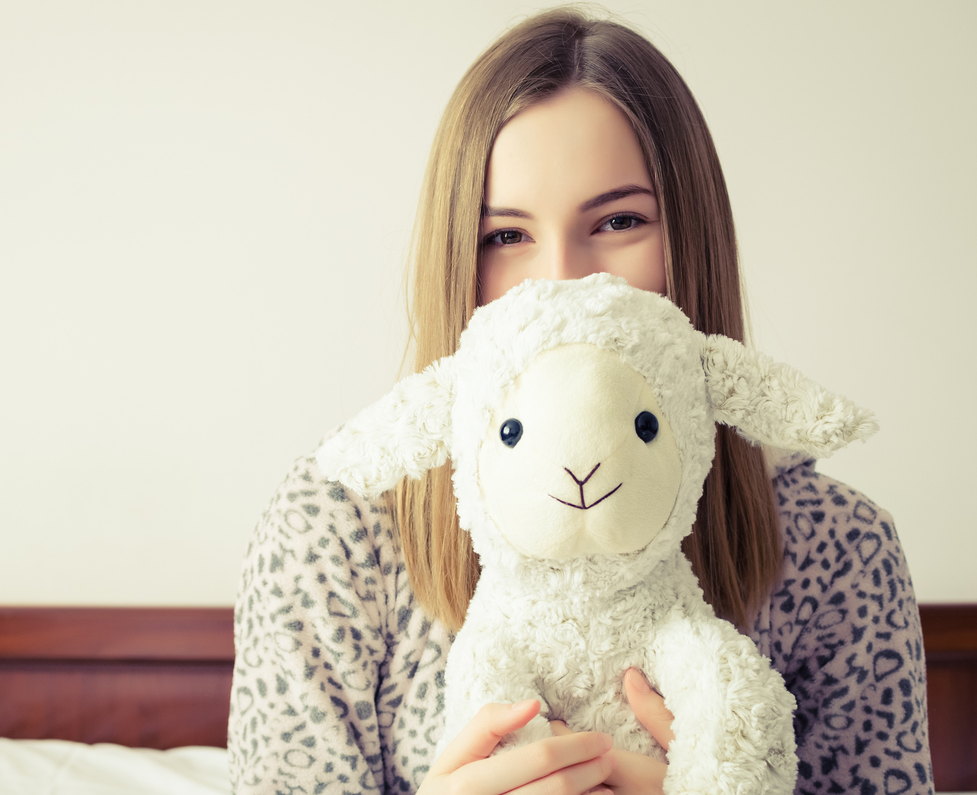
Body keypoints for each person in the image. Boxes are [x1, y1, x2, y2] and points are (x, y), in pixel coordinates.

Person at [228, 9, 932, 795]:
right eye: (506, 237)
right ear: (457, 261)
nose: (564, 280)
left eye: (620, 221)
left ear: (689, 244)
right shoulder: (334, 533)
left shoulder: (839, 551)